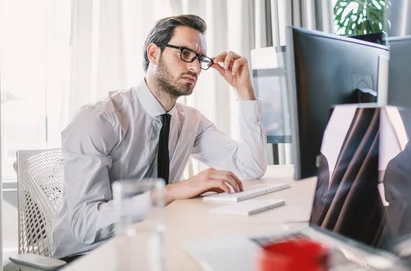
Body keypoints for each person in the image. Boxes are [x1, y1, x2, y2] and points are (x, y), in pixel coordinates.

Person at [52, 15, 267, 260]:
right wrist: (175, 191)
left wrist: (244, 90)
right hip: (87, 257)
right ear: (153, 53)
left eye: (199, 59)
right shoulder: (99, 119)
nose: (195, 68)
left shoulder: (190, 121)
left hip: (150, 243)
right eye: (185, 53)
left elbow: (251, 166)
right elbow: (85, 225)